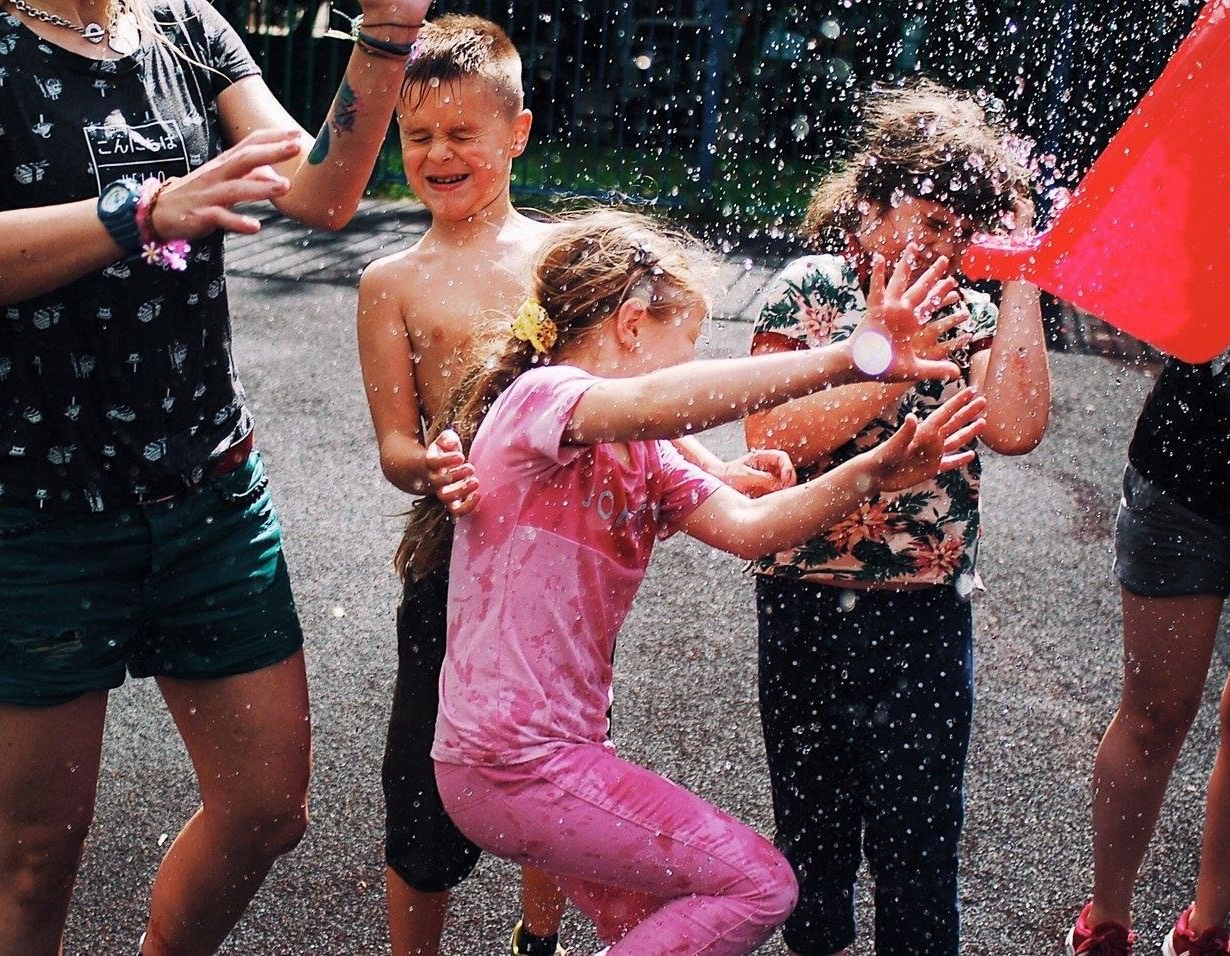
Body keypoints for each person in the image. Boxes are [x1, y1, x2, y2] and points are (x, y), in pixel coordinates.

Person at [409, 209, 988, 954]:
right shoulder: (540, 399)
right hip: (511, 757)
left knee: (653, 928)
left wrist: (870, 473)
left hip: (547, 762)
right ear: (629, 325)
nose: (684, 376)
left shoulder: (645, 456)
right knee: (759, 884)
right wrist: (856, 355)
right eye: (680, 353)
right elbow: (661, 404)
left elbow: (755, 529)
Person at [355, 17, 794, 956]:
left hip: (548, 562)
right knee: (423, 796)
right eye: (418, 133)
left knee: (555, 767)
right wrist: (425, 463)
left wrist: (716, 467)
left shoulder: (562, 258)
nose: (438, 153)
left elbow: (631, 402)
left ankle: (539, 934)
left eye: (461, 133)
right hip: (451, 553)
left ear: (515, 135)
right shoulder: (391, 280)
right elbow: (394, 442)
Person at [0, 0, 429, 950]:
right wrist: (141, 211)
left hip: (209, 494)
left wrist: (387, 35)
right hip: (36, 511)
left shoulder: (187, 25)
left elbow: (318, 195)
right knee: (35, 854)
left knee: (267, 810)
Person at [744, 79, 1051, 956]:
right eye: (928, 218)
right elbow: (771, 433)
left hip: (923, 609)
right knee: (813, 839)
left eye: (962, 230)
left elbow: (1020, 425)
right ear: (870, 208)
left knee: (921, 849)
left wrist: (1023, 266)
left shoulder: (973, 308)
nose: (942, 243)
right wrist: (883, 355)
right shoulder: (810, 290)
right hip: (804, 599)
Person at [1064, 308, 1230, 956]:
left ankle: (1205, 928)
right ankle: (1107, 921)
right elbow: (1158, 304)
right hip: (1184, 482)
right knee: (1157, 712)